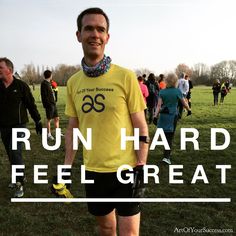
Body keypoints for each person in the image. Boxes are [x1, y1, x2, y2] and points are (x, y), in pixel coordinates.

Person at [62, 7, 149, 236]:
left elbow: (141, 124)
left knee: (129, 233)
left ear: (107, 37)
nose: (95, 34)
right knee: (106, 227)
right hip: (93, 171)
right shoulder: (73, 83)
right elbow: (73, 128)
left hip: (127, 170)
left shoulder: (126, 76)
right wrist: (66, 167)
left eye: (101, 29)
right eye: (88, 28)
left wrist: (141, 164)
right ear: (78, 35)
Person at [0, 57, 42, 197]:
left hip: (19, 125)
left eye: (0, 68)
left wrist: (37, 121)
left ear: (9, 70)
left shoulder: (21, 86)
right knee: (11, 154)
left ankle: (19, 184)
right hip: (4, 127)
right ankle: (19, 176)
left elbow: (31, 104)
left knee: (15, 152)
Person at [153, 73, 191, 165]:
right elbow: (183, 103)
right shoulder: (177, 91)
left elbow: (158, 106)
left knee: (165, 135)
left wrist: (155, 116)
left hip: (163, 116)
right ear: (175, 81)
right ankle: (166, 157)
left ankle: (166, 153)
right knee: (170, 136)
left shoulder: (162, 92)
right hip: (172, 116)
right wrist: (189, 110)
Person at [40, 70, 60, 141]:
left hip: (53, 104)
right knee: (49, 119)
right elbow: (44, 96)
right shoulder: (44, 84)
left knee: (57, 118)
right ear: (50, 75)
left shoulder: (49, 83)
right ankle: (49, 135)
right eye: (51, 75)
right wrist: (47, 104)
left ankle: (58, 132)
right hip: (49, 105)